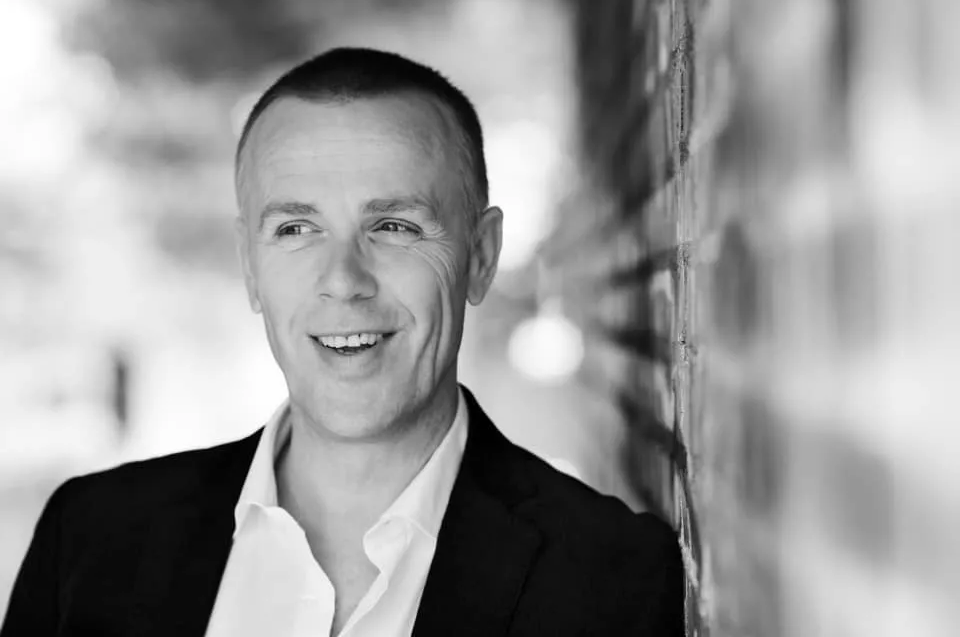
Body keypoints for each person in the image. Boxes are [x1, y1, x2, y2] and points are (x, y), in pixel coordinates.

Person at [1, 47, 684, 637]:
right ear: (251, 268)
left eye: (394, 226)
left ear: (480, 256)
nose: (343, 281)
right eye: (296, 230)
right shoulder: (88, 541)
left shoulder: (612, 579)